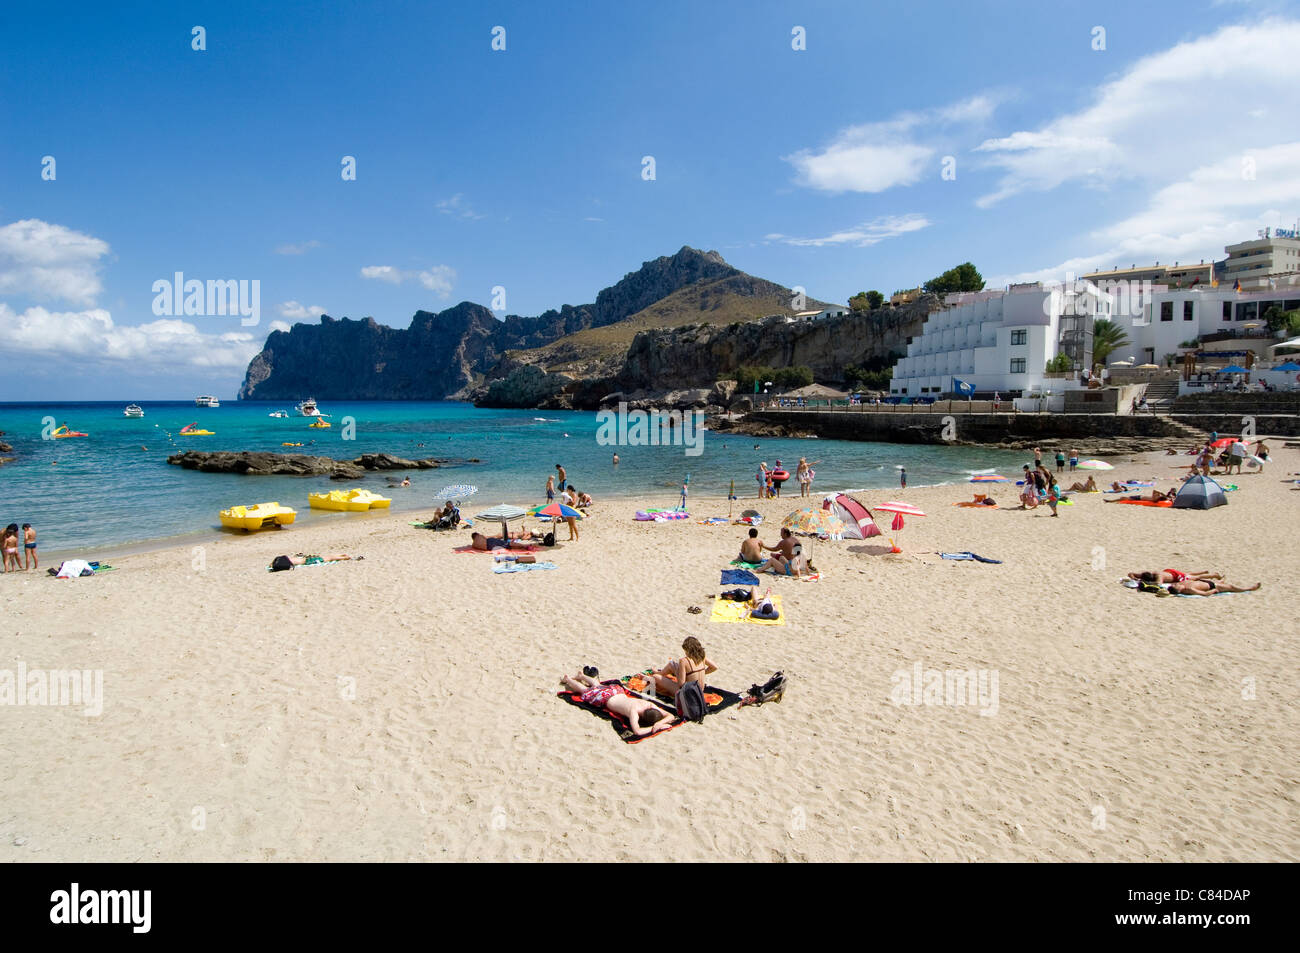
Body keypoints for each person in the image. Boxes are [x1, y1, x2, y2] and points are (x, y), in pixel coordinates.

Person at [559, 672, 674, 736]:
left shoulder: (650, 705)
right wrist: (656, 727)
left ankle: (582, 676)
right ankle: (568, 679)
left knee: (598, 686)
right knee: (585, 691)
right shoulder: (634, 712)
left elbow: (670, 716)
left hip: (616, 691)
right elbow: (638, 731)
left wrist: (660, 723)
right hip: (607, 698)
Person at [649, 637, 717, 697]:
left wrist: (676, 672)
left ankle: (657, 674)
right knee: (671, 665)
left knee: (655, 677)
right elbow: (714, 667)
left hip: (687, 694)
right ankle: (659, 672)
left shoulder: (684, 661)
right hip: (700, 691)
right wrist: (701, 673)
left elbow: (681, 685)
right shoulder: (702, 657)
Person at [1169, 579, 1261, 596]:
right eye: (1175, 585)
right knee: (1231, 587)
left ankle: (1221, 581)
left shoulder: (1182, 584)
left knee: (1221, 583)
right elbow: (1204, 594)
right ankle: (1249, 588)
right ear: (1179, 589)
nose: (1174, 584)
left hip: (1203, 581)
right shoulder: (1188, 589)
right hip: (1211, 586)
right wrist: (1213, 591)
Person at [1129, 569, 1222, 584]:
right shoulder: (1149, 573)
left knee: (1195, 578)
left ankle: (1214, 575)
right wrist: (1135, 578)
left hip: (1175, 577)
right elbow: (1130, 573)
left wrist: (1144, 582)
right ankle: (1204, 571)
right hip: (1170, 572)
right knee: (1187, 574)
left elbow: (1158, 584)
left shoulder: (1158, 576)